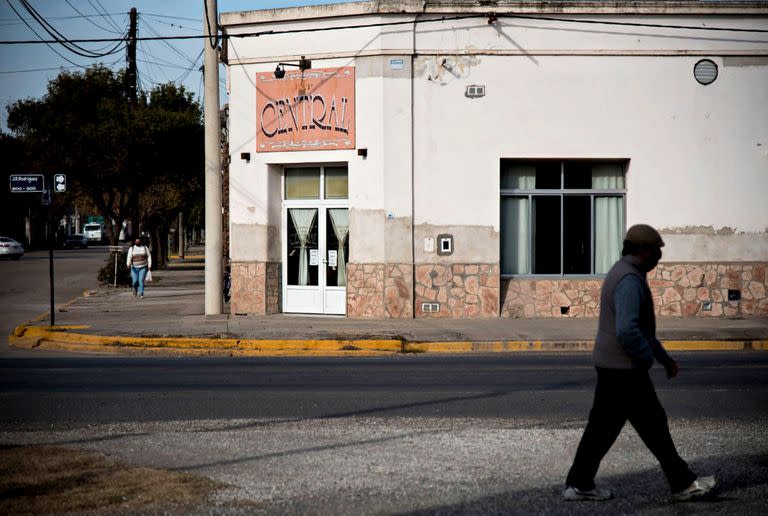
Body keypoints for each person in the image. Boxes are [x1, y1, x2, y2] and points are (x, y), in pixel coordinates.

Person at [563, 224, 716, 502]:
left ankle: (579, 483)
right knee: (653, 426)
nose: (659, 257)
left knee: (604, 428)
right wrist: (647, 359)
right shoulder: (630, 281)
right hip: (624, 370)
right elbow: (628, 330)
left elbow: (643, 331)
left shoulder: (624, 272)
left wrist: (664, 359)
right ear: (644, 250)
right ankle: (682, 483)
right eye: (657, 251)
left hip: (614, 367)